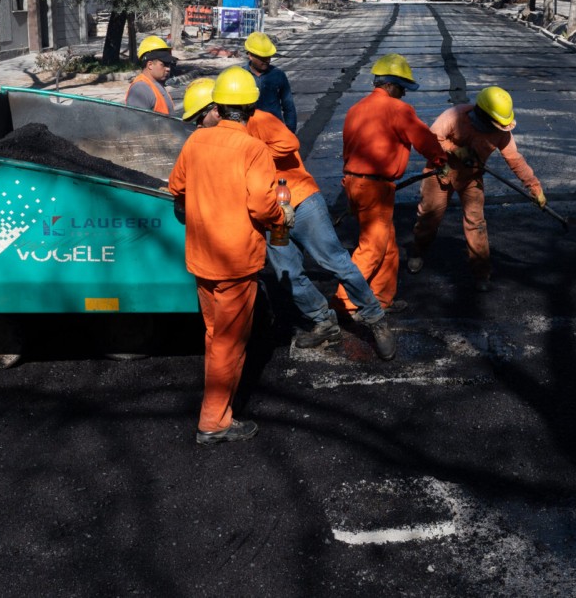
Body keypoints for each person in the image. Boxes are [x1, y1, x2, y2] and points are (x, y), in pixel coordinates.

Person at [167, 66, 288, 446]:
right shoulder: (254, 149)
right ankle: (214, 421)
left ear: (217, 107)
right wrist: (282, 217)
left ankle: (217, 409)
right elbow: (262, 206)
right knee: (229, 343)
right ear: (251, 109)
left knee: (214, 335)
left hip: (202, 257)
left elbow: (176, 186)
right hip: (236, 262)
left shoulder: (196, 141)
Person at [240, 75, 396, 360]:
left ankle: (376, 319)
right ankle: (324, 322)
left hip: (300, 203)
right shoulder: (224, 136)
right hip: (273, 216)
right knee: (288, 273)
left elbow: (289, 142)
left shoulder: (260, 120)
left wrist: (253, 154)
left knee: (335, 262)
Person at [336, 53, 446, 314]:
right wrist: (442, 160)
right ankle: (343, 304)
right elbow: (423, 139)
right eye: (401, 88)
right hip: (374, 188)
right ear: (388, 85)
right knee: (372, 249)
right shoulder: (398, 110)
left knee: (387, 247)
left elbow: (349, 148)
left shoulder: (356, 109)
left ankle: (381, 299)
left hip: (354, 183)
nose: (404, 94)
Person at [406, 86, 544, 293]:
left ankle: (481, 272)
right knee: (429, 217)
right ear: (483, 113)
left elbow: (515, 159)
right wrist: (455, 150)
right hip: (440, 172)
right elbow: (430, 139)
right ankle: (418, 251)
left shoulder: (501, 131)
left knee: (476, 224)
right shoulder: (455, 116)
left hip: (471, 177)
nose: (499, 127)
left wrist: (534, 186)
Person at [244, 31, 297, 131]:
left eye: (269, 56)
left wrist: (290, 131)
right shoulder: (241, 76)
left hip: (274, 130)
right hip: (250, 131)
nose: (267, 60)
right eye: (262, 57)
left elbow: (288, 106)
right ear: (250, 55)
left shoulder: (278, 75)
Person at [126, 34, 177, 115]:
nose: (168, 69)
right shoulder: (141, 89)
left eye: (169, 64)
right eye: (164, 64)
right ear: (150, 65)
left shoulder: (155, 84)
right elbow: (136, 121)